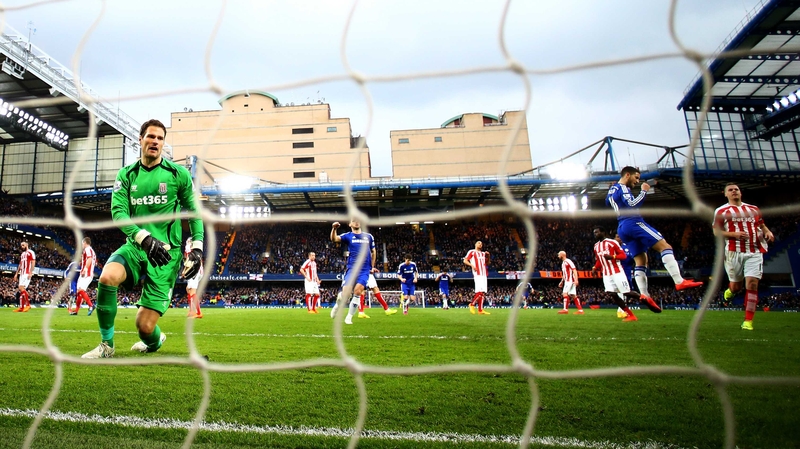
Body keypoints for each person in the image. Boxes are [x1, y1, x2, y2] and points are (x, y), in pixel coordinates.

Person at [82, 119, 204, 359]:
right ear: (140, 139)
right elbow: (119, 213)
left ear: (163, 143)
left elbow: (194, 212)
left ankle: (155, 340)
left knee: (144, 328)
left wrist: (197, 248)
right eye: (151, 136)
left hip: (166, 256)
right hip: (137, 246)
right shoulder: (126, 174)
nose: (155, 141)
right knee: (107, 277)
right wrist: (144, 239)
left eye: (160, 138)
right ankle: (107, 345)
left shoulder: (178, 174)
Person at [606, 166, 703, 305]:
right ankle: (679, 281)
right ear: (627, 175)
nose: (637, 181)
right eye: (636, 177)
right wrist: (644, 191)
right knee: (665, 247)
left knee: (641, 261)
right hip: (633, 222)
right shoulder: (623, 188)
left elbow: (607, 203)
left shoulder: (612, 189)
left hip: (621, 227)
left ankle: (645, 295)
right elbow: (632, 204)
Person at [713, 183, 774, 331]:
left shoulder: (753, 209)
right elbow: (716, 232)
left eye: (736, 189)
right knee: (736, 287)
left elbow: (761, 224)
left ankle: (748, 321)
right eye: (730, 190)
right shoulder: (721, 211)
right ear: (725, 194)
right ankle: (730, 292)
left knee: (752, 284)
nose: (734, 191)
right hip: (734, 252)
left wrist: (767, 231)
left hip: (754, 251)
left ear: (740, 193)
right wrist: (733, 234)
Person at [592, 227, 647, 322]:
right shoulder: (596, 246)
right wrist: (595, 268)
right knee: (612, 293)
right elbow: (599, 260)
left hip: (617, 271)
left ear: (603, 232)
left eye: (597, 232)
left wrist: (612, 257)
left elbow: (623, 256)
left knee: (626, 292)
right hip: (606, 273)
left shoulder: (612, 242)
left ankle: (647, 300)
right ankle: (630, 314)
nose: (595, 234)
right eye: (594, 233)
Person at [330, 218, 374, 325]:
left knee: (358, 292)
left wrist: (372, 266)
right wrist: (334, 229)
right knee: (346, 294)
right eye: (354, 220)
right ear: (350, 224)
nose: (357, 222)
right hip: (352, 268)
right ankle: (337, 305)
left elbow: (373, 251)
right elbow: (334, 239)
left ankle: (349, 317)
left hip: (364, 270)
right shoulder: (348, 236)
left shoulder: (368, 236)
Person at [463, 240, 490, 315]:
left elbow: (487, 263)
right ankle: (472, 304)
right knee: (480, 291)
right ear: (475, 244)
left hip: (484, 274)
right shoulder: (472, 252)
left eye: (481, 243)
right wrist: (472, 265)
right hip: (477, 274)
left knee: (483, 292)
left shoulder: (483, 253)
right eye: (479, 243)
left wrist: (488, 256)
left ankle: (480, 310)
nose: (480, 244)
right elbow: (465, 260)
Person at [73, 237, 96, 316]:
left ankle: (91, 305)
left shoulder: (88, 249)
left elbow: (89, 259)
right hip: (86, 273)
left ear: (85, 242)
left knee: (81, 290)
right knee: (79, 292)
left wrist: (85, 269)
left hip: (86, 273)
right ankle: (76, 311)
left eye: (82, 243)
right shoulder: (90, 250)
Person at [614, 232, 636, 318]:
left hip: (627, 272)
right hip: (617, 272)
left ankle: (622, 310)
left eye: (620, 237)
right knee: (620, 290)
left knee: (626, 291)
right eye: (617, 237)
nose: (619, 238)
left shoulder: (627, 247)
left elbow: (632, 259)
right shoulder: (612, 248)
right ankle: (621, 310)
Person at [12, 240, 35, 313]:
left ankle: (28, 305)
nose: (22, 247)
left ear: (26, 245)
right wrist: (16, 273)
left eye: (23, 245)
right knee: (21, 289)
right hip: (22, 273)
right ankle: (21, 307)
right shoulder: (22, 254)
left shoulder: (31, 252)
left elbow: (33, 262)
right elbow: (20, 264)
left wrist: (31, 272)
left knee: (22, 288)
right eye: (21, 245)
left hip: (27, 273)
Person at [184, 236, 204, 319]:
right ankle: (191, 310)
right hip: (198, 270)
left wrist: (184, 271)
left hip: (194, 271)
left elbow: (189, 261)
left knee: (192, 291)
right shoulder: (196, 249)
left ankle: (198, 313)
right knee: (188, 289)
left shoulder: (188, 249)